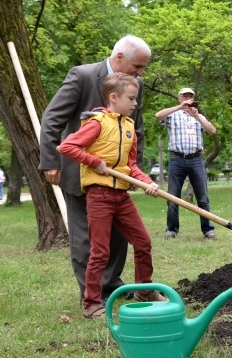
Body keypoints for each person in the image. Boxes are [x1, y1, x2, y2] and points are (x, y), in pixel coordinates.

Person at [39, 35, 151, 303]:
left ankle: (111, 286)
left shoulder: (136, 85)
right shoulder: (83, 76)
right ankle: (91, 295)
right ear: (120, 57)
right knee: (85, 239)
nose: (140, 72)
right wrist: (51, 162)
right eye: (137, 66)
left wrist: (133, 169)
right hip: (82, 174)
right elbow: (52, 119)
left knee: (118, 237)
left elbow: (137, 130)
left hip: (118, 176)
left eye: (143, 68)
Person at [58, 72, 166, 318]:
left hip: (121, 196)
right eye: (131, 98)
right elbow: (66, 146)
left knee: (143, 242)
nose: (135, 103)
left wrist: (147, 182)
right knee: (100, 252)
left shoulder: (129, 127)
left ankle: (144, 291)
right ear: (114, 97)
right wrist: (94, 162)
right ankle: (91, 303)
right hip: (99, 195)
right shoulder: (96, 122)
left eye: (136, 98)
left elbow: (131, 165)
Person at [155, 87, 217, 240]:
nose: (188, 98)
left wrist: (197, 117)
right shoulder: (173, 115)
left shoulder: (199, 116)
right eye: (185, 96)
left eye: (191, 96)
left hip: (196, 160)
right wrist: (180, 107)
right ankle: (171, 229)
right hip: (177, 159)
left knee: (203, 197)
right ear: (179, 98)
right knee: (172, 196)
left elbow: (212, 131)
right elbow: (158, 115)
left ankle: (208, 229)